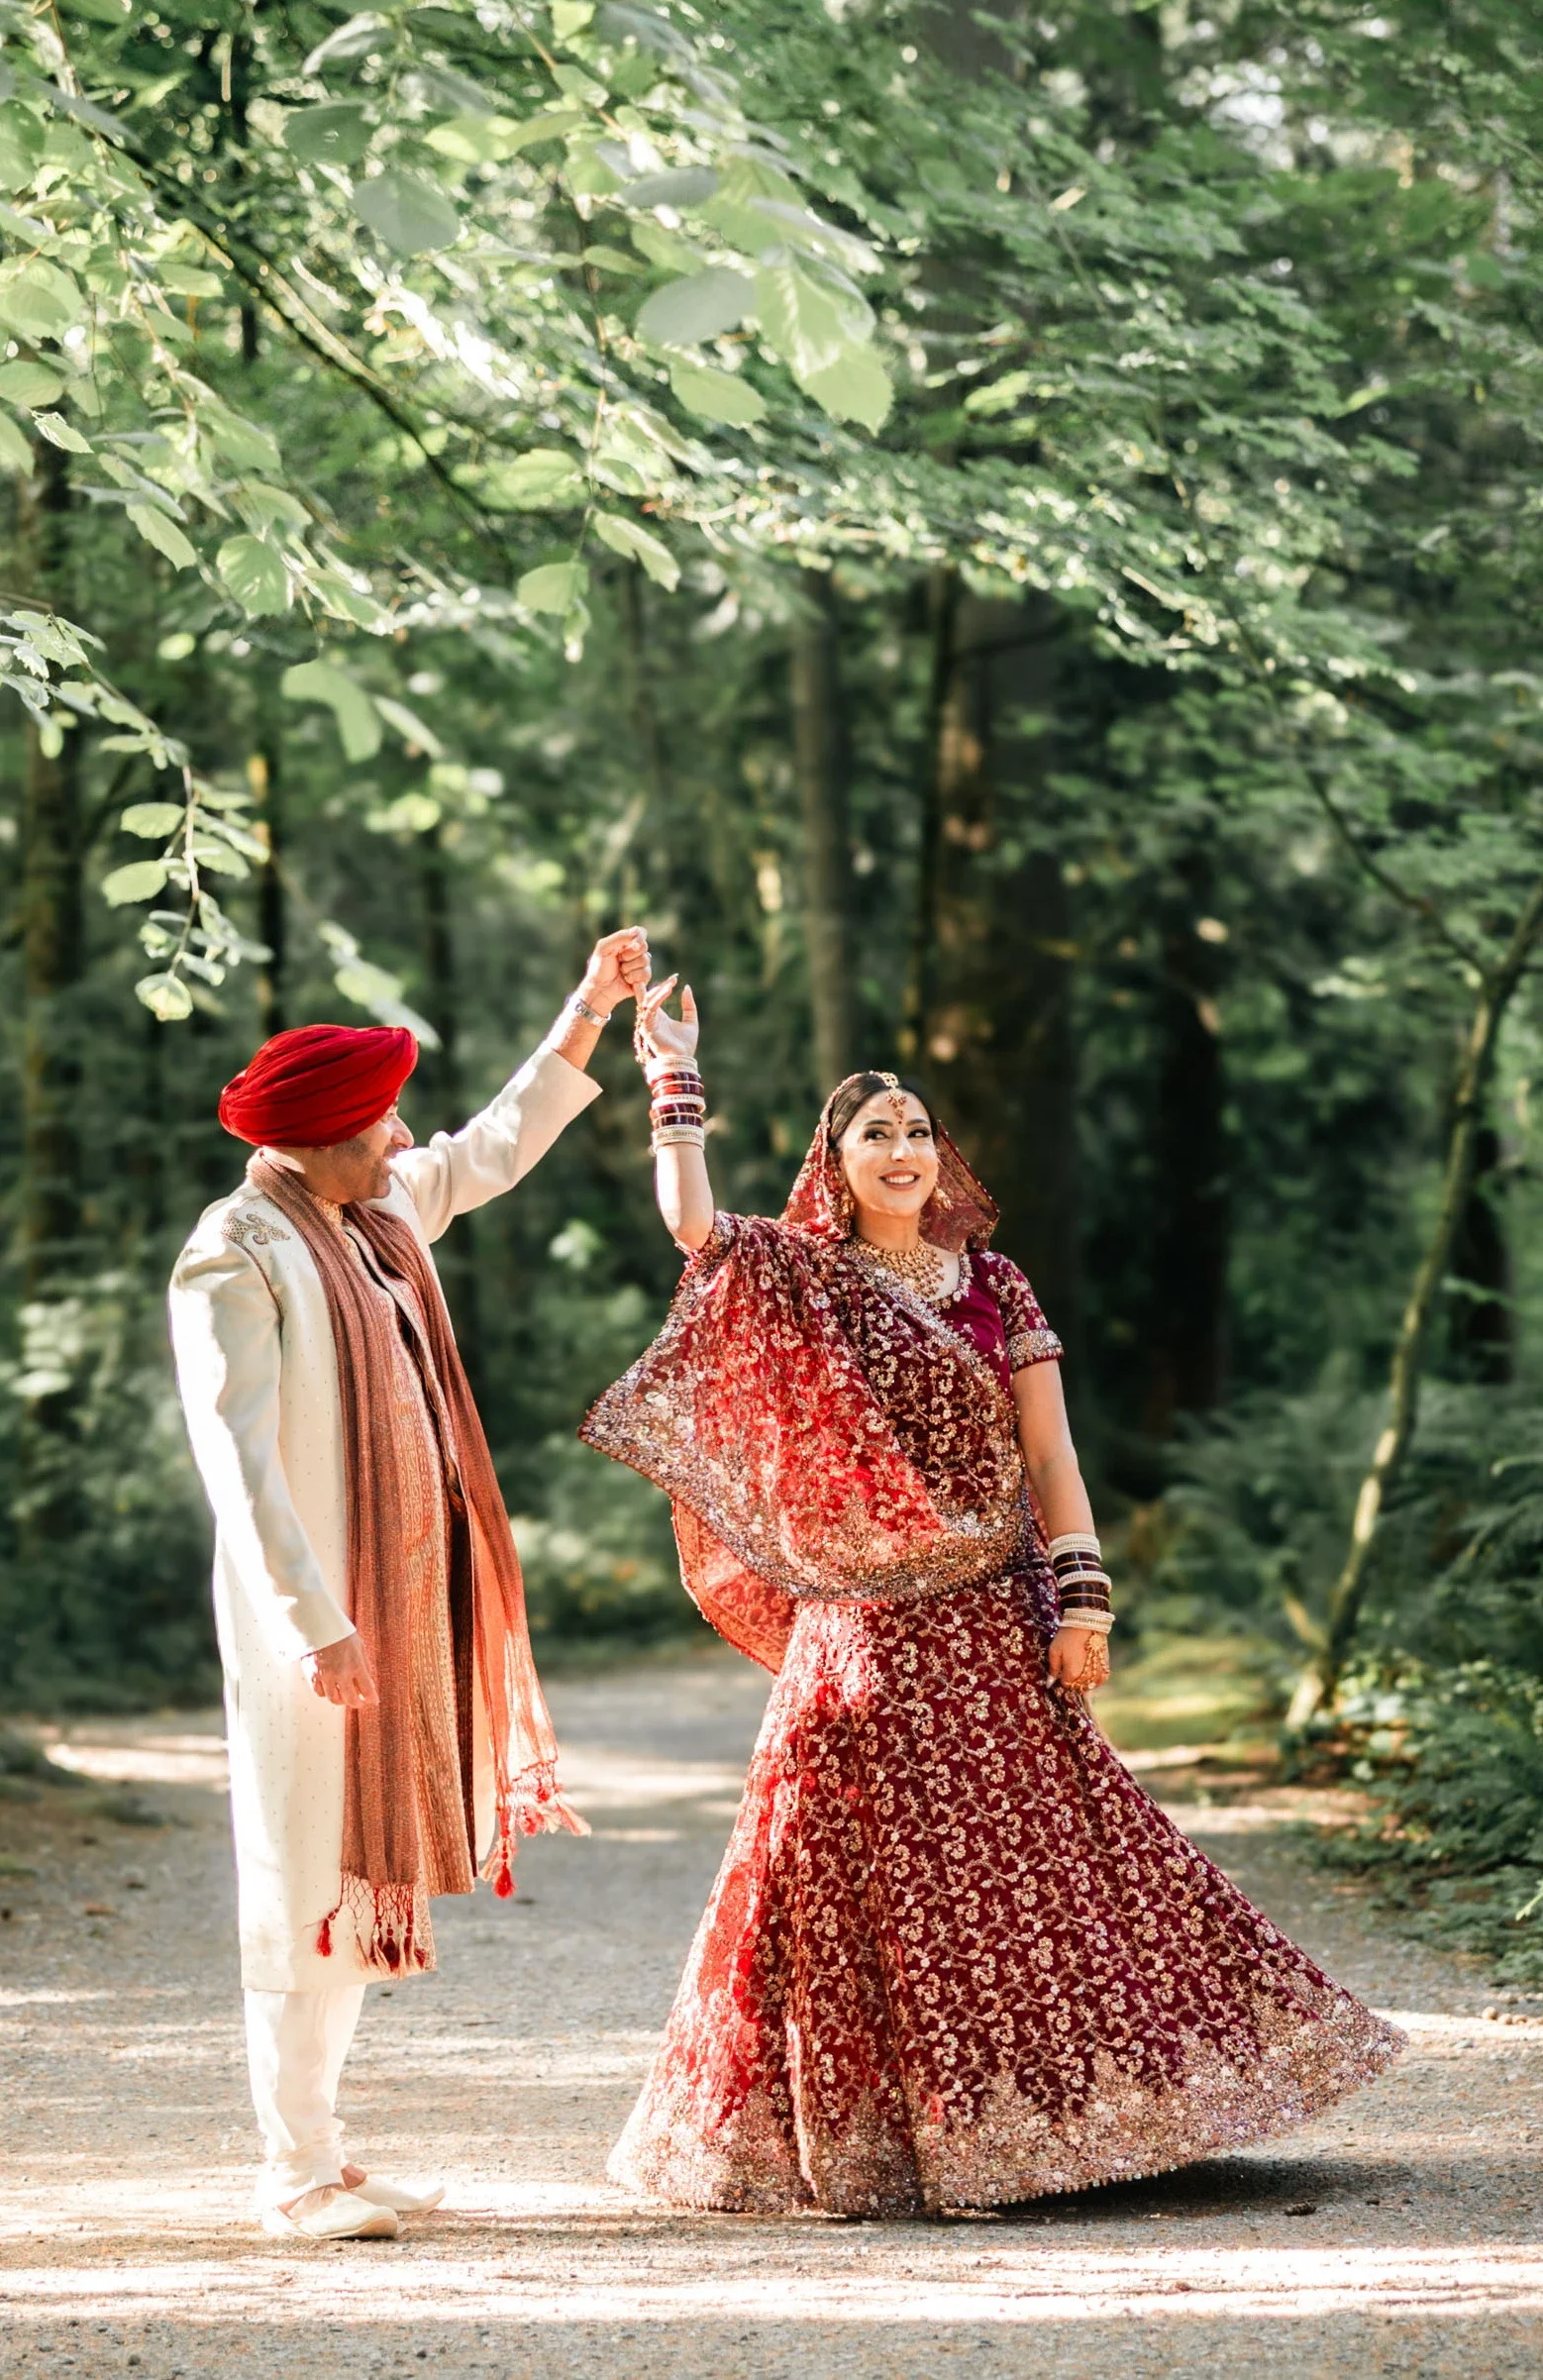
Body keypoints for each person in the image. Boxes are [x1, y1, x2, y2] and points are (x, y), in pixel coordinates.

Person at [581, 974, 1401, 2217]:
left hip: (994, 1616)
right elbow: (694, 1226)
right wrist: (674, 1081)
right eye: (876, 1135)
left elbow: (1054, 1458)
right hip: (859, 1629)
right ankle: (876, 2140)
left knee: (1037, 1865)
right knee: (837, 1861)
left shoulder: (995, 1285)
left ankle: (1072, 2118)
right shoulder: (805, 1278)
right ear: (837, 1161)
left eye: (918, 1131)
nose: (903, 1151)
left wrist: (1084, 1602)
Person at [169, 929, 649, 2240]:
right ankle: (289, 2173)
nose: (400, 1142)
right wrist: (312, 1620)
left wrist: (586, 1010)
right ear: (314, 1140)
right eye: (376, 1127)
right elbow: (240, 1455)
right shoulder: (235, 1251)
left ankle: (325, 2148)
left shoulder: (369, 1216)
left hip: (399, 1604)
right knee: (296, 1875)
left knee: (356, 1871)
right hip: (309, 1622)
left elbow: (493, 1142)